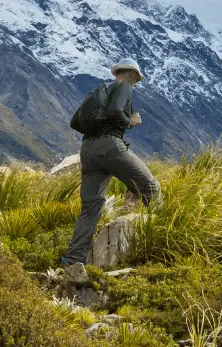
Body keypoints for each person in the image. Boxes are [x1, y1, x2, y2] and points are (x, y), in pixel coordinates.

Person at [62, 58, 161, 268]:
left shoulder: (97, 92)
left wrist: (96, 134)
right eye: (137, 77)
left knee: (91, 206)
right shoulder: (124, 86)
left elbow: (74, 122)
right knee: (151, 188)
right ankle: (161, 248)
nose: (137, 81)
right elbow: (116, 111)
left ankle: (72, 261)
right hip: (110, 146)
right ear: (132, 74)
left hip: (88, 150)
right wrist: (130, 122)